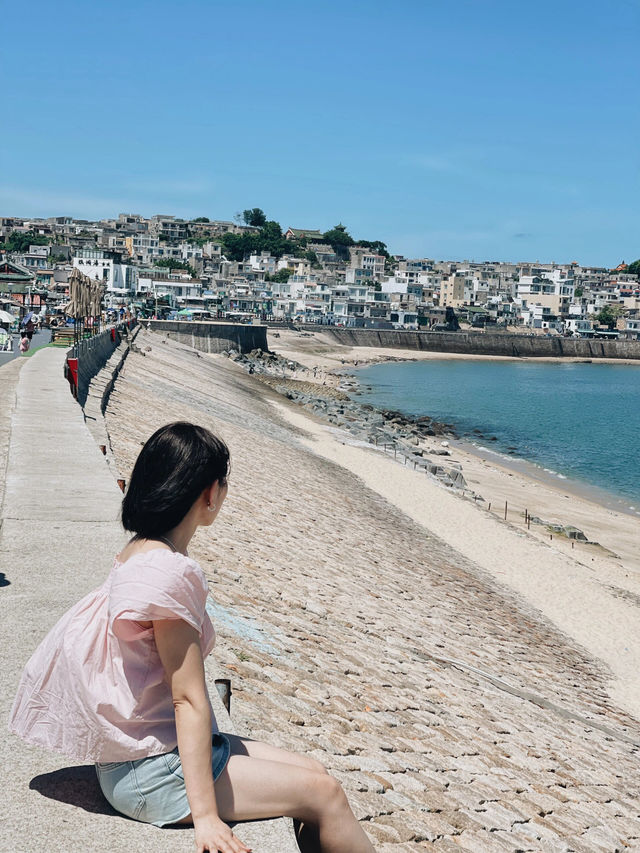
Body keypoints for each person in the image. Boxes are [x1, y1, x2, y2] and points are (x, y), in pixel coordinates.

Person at [9, 422, 374, 853]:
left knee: (315, 771)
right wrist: (205, 817)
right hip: (155, 774)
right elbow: (188, 698)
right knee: (325, 795)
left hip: (144, 758)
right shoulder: (170, 572)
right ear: (208, 494)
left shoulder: (140, 551)